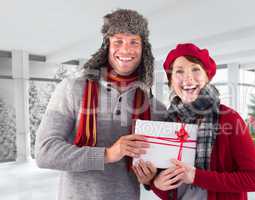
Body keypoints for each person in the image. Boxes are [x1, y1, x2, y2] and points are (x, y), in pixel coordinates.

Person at [35, 9, 166, 200]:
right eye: (118, 41)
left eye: (134, 42)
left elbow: (161, 167)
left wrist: (150, 178)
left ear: (143, 49)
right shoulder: (72, 89)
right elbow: (45, 152)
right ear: (107, 46)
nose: (126, 50)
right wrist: (108, 154)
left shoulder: (156, 108)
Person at [133, 43, 255, 200]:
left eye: (195, 70)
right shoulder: (168, 122)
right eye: (179, 72)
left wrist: (196, 176)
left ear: (207, 76)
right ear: (171, 82)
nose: (188, 78)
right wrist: (154, 183)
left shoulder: (229, 119)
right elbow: (172, 192)